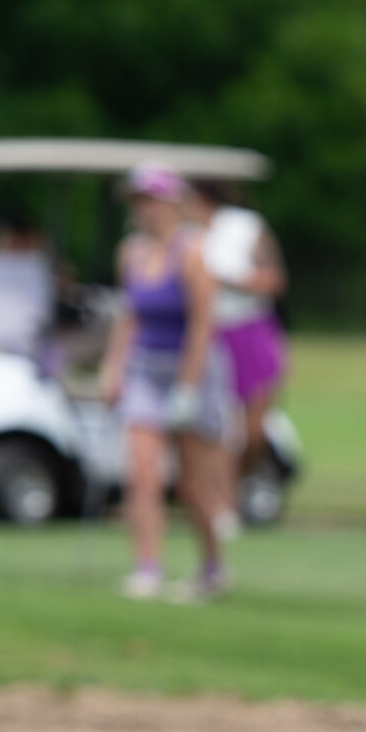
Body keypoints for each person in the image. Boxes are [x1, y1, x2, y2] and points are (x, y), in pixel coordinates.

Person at [97, 166, 227, 600]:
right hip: (145, 369)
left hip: (191, 370)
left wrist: (188, 388)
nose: (143, 209)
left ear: (172, 203)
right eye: (138, 200)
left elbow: (202, 325)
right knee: (142, 474)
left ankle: (212, 565)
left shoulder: (192, 252)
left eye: (150, 199)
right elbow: (129, 317)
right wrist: (113, 369)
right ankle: (147, 567)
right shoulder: (130, 252)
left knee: (191, 484)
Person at [187, 181, 288, 541]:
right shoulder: (185, 236)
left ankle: (238, 486)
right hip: (212, 332)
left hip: (252, 328)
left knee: (254, 428)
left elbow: (274, 279)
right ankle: (223, 505)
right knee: (223, 429)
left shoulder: (245, 226)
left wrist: (234, 281)